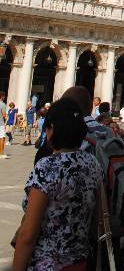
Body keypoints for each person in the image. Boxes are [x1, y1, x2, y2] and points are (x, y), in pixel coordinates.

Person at [12, 98, 103, 271]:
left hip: (47, 264)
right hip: (80, 261)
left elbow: (29, 234)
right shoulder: (92, 163)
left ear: (52, 129)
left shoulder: (47, 166)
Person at [0, 91, 7, 158]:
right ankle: (1, 154)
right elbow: (4, 115)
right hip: (0, 123)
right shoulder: (3, 104)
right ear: (2, 96)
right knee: (2, 137)